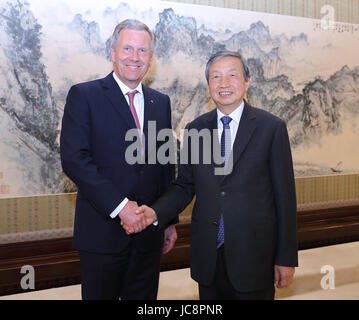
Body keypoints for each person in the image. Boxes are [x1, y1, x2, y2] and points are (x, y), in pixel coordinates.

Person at [127, 50, 298, 300]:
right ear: (209, 85)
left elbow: (285, 199)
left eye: (232, 75)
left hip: (254, 259)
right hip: (208, 257)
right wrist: (155, 212)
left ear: (247, 81)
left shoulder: (271, 128)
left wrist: (286, 258)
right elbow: (184, 185)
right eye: (216, 77)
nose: (224, 83)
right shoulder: (196, 129)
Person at [60, 19, 177, 300]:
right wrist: (121, 207)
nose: (134, 57)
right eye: (127, 48)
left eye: (142, 51)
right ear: (112, 52)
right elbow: (75, 159)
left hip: (149, 236)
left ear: (150, 58)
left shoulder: (160, 103)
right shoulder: (84, 95)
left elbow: (165, 165)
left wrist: (168, 219)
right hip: (102, 235)